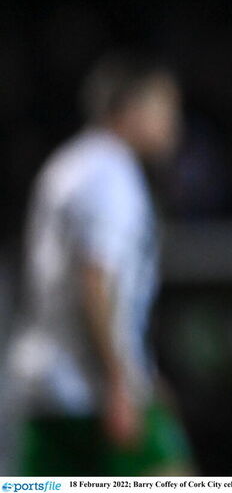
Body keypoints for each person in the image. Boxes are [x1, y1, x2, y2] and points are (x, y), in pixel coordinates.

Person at [7, 54, 192, 475]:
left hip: (45, 385)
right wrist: (120, 380)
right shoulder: (111, 175)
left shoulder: (67, 164)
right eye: (166, 107)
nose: (173, 123)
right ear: (130, 109)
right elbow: (94, 280)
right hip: (89, 388)